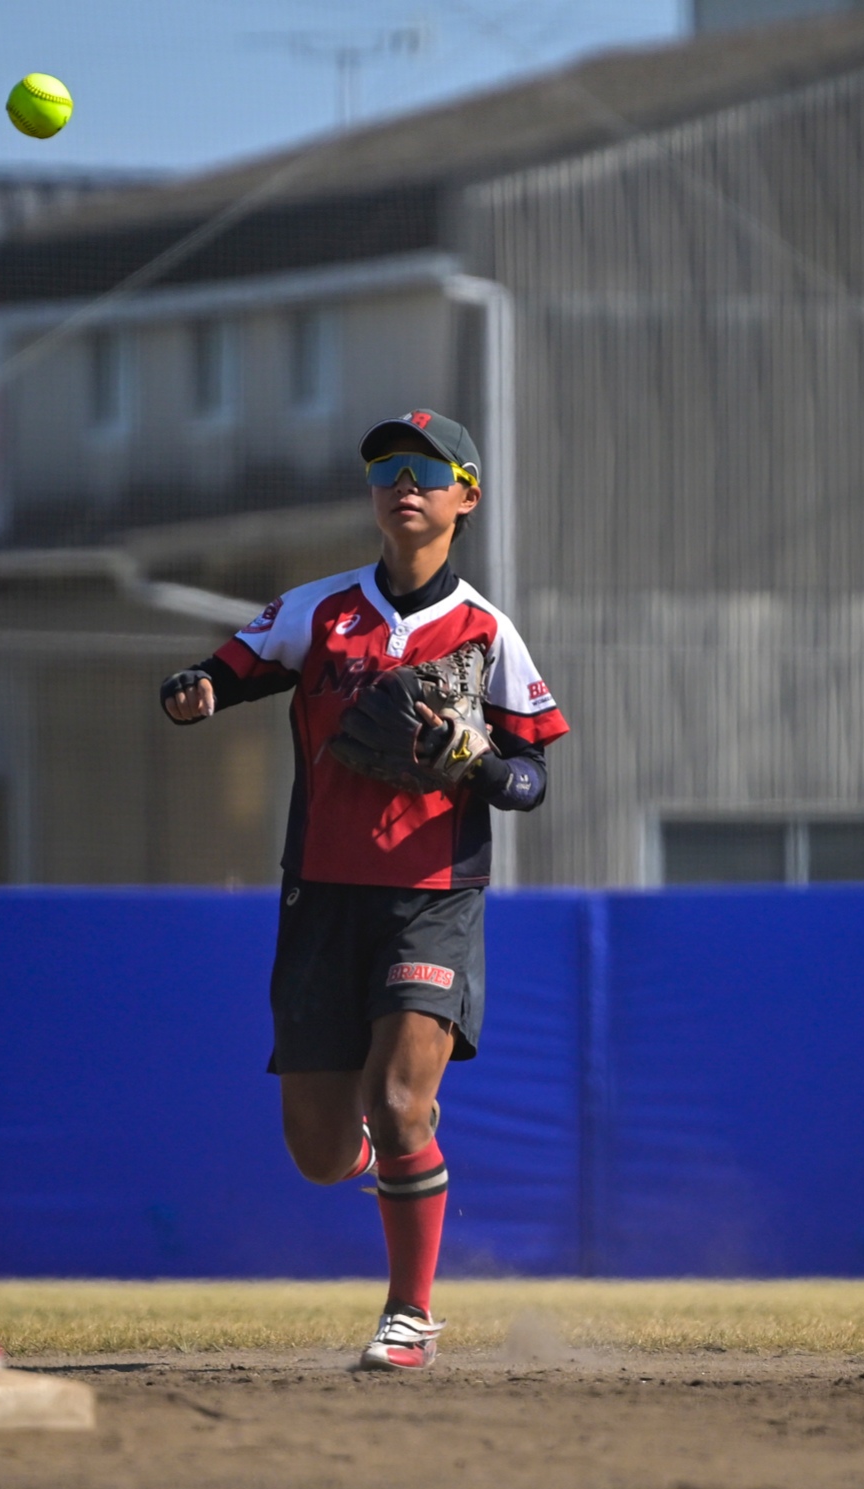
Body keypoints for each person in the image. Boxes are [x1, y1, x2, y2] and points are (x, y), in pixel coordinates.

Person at [160, 408, 568, 1371]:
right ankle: (394, 1144)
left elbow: (531, 777)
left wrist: (479, 766)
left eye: (425, 469)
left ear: (466, 496)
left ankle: (409, 1313)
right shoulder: (318, 611)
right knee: (316, 1152)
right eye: (386, 468)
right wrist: (195, 692)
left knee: (395, 1101)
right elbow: (222, 671)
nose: (403, 484)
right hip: (321, 897)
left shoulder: (486, 631)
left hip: (432, 894)